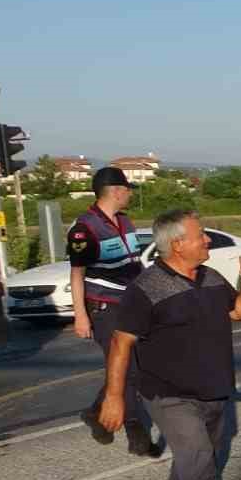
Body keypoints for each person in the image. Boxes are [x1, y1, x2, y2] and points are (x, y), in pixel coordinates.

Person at [98, 209, 241, 480]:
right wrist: (113, 397)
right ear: (177, 244)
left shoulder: (212, 277)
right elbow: (121, 343)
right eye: (200, 235)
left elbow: (240, 313)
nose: (207, 240)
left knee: (197, 462)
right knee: (200, 464)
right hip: (168, 394)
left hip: (214, 388)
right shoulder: (146, 288)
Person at [69, 166, 156, 456]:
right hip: (104, 308)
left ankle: (95, 413)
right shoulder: (85, 228)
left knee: (130, 366)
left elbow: (133, 264)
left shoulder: (125, 222)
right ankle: (137, 433)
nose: (130, 194)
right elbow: (77, 273)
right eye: (127, 189)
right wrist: (80, 315)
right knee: (128, 369)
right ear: (116, 191)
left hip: (130, 304)